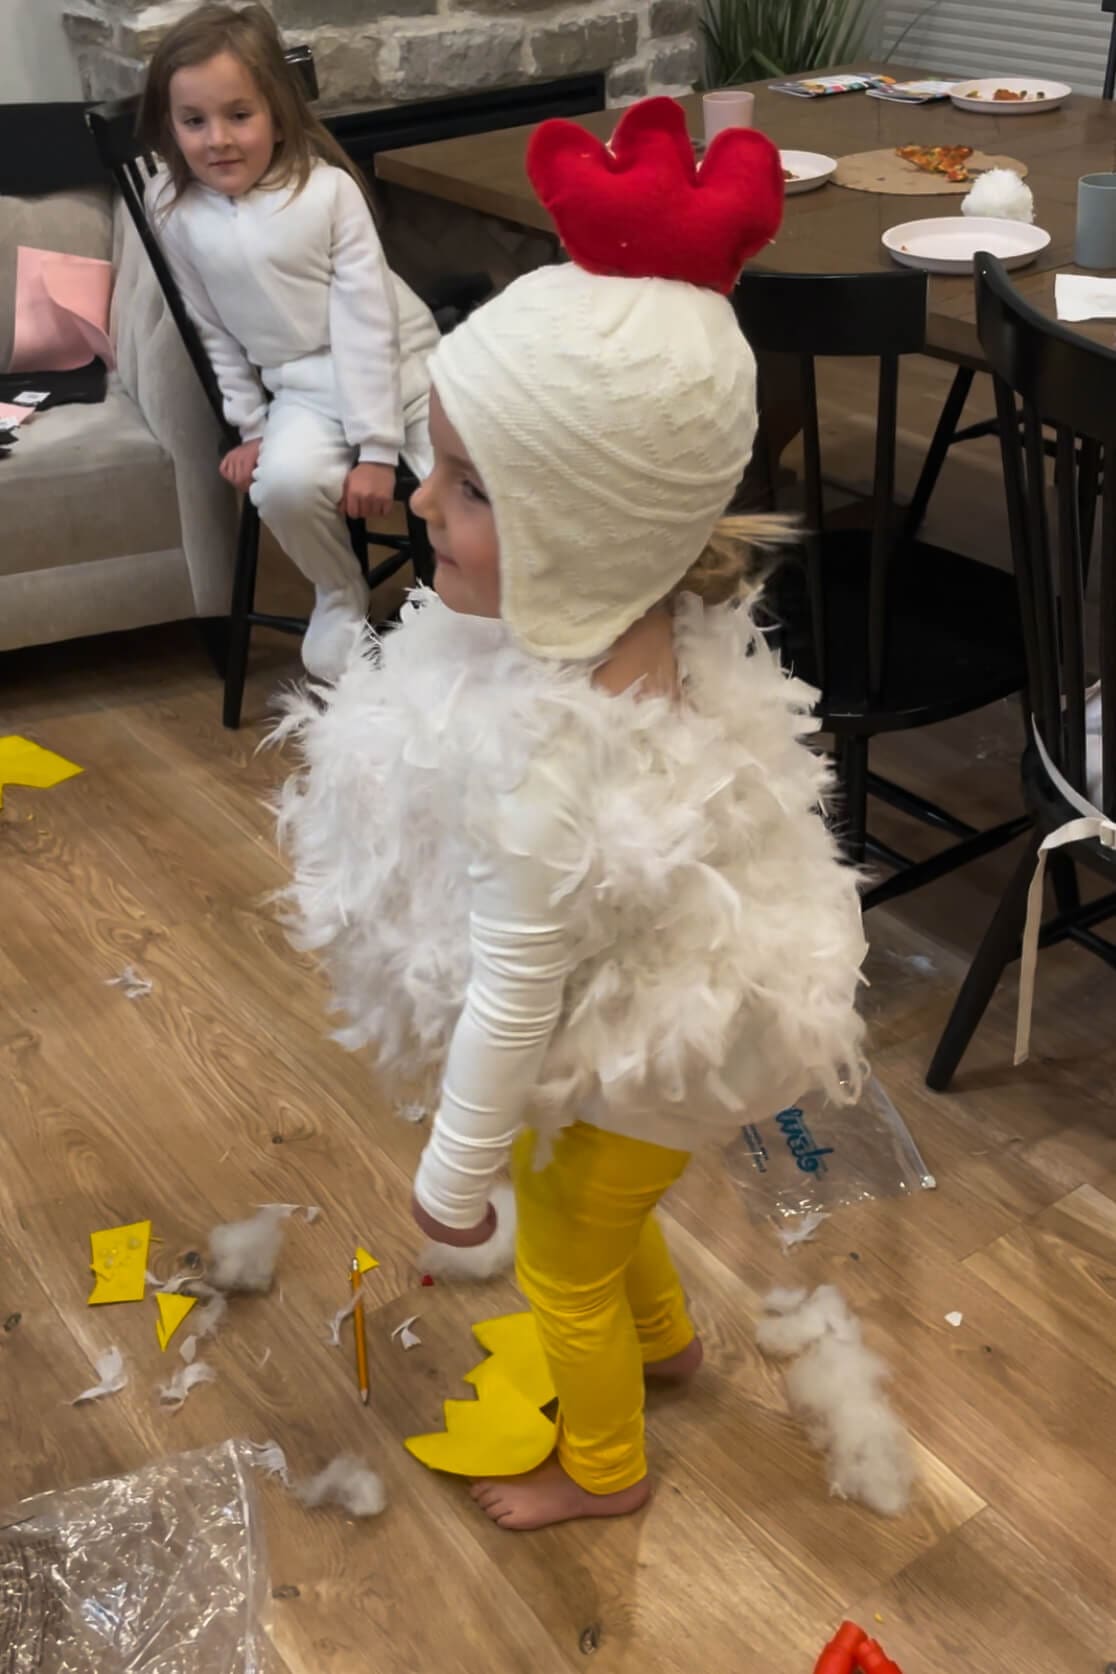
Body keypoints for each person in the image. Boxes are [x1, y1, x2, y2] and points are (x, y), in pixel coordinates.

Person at [276, 99, 868, 1531]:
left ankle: (600, 1468)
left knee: (554, 1249)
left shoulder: (549, 778)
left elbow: (508, 997)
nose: (422, 500)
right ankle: (666, 1344)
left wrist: (449, 1177)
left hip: (644, 1041)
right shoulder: (617, 623)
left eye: (471, 489)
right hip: (670, 1025)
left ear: (588, 537)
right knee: (592, 1198)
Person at [138, 2, 438, 680]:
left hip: (404, 367)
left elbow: (366, 321)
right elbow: (210, 326)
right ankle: (340, 596)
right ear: (170, 126)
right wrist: (249, 426)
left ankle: (469, 611)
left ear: (276, 111)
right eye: (194, 122)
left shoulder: (326, 192)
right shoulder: (176, 214)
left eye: (238, 116)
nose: (217, 139)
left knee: (466, 479)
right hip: (298, 387)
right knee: (284, 487)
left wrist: (375, 449)